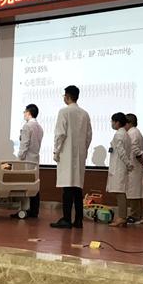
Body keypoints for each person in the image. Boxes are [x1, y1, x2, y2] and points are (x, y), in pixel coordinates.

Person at [50, 85, 92, 229]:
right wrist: (84, 150)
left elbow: (60, 134)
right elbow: (89, 136)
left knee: (67, 188)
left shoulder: (64, 111)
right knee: (77, 188)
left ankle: (66, 219)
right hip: (79, 155)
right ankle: (78, 220)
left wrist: (56, 151)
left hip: (66, 154)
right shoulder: (85, 114)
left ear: (67, 97)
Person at [11, 104, 44, 219]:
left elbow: (24, 144)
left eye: (24, 112)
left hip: (26, 160)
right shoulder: (39, 127)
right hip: (35, 159)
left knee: (24, 185)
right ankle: (34, 211)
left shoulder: (27, 126)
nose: (24, 114)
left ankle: (24, 210)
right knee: (34, 186)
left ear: (29, 113)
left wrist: (19, 159)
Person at [106, 113, 134, 227]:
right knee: (120, 192)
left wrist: (128, 164)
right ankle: (122, 216)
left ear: (117, 122)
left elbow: (121, 152)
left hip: (119, 167)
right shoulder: (125, 134)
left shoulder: (119, 134)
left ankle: (122, 217)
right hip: (120, 167)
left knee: (120, 193)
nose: (112, 124)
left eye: (112, 121)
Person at [125, 113, 143, 225]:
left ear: (129, 123)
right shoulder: (135, 132)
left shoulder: (132, 133)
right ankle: (137, 215)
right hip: (135, 166)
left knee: (134, 192)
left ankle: (135, 216)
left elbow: (134, 148)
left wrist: (141, 158)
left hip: (134, 166)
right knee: (135, 191)